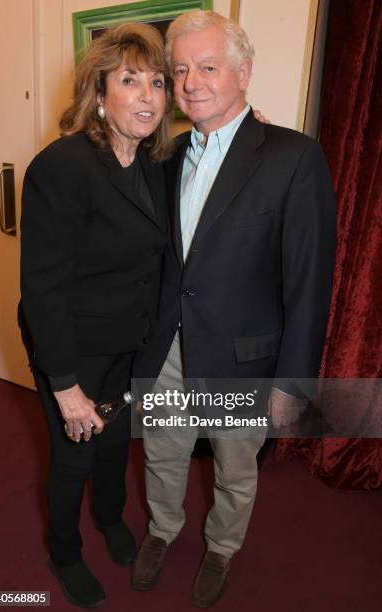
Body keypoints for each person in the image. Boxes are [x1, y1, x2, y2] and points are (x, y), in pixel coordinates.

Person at [132, 10, 336, 608]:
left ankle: (222, 545)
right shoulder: (164, 155)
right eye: (181, 69)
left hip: (244, 358)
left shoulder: (294, 157)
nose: (192, 82)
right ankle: (162, 530)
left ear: (243, 72)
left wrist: (291, 384)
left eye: (209, 66)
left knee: (233, 467)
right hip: (168, 346)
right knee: (163, 451)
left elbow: (309, 280)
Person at [18, 23, 174, 608]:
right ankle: (63, 551)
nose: (148, 96)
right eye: (129, 80)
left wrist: (245, 120)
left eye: (157, 82)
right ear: (99, 94)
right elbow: (42, 288)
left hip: (126, 339)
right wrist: (66, 388)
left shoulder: (153, 163)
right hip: (73, 345)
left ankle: (109, 518)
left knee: (115, 444)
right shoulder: (62, 167)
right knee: (74, 452)